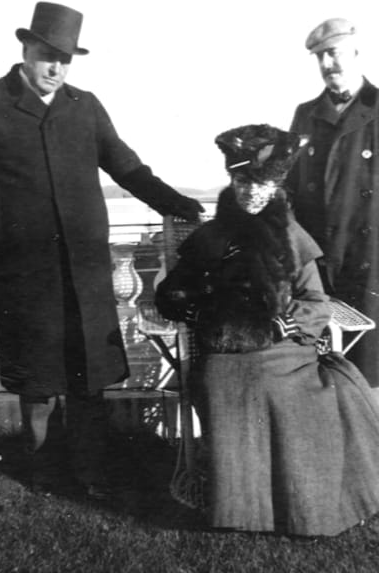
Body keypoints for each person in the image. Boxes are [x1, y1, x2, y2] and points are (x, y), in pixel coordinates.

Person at [0, 1, 203, 499]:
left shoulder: (85, 106)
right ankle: (42, 473)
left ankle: (91, 472)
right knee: (36, 378)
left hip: (84, 267)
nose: (56, 68)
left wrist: (177, 204)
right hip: (25, 267)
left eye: (65, 59)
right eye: (47, 56)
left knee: (88, 377)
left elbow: (127, 168)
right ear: (26, 48)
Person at [155, 124, 379, 536]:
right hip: (226, 355)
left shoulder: (294, 237)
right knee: (231, 388)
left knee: (306, 400)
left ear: (278, 185)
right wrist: (203, 307)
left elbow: (316, 302)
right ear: (232, 179)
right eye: (243, 181)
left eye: (263, 183)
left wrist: (285, 322)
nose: (252, 192)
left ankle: (305, 511)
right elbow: (172, 295)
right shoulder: (211, 236)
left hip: (287, 353)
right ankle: (246, 512)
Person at [286, 17, 379, 387]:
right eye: (320, 57)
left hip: (370, 260)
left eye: (334, 54)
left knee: (371, 371)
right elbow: (289, 190)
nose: (327, 65)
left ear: (356, 53)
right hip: (320, 263)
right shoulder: (306, 115)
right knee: (322, 371)